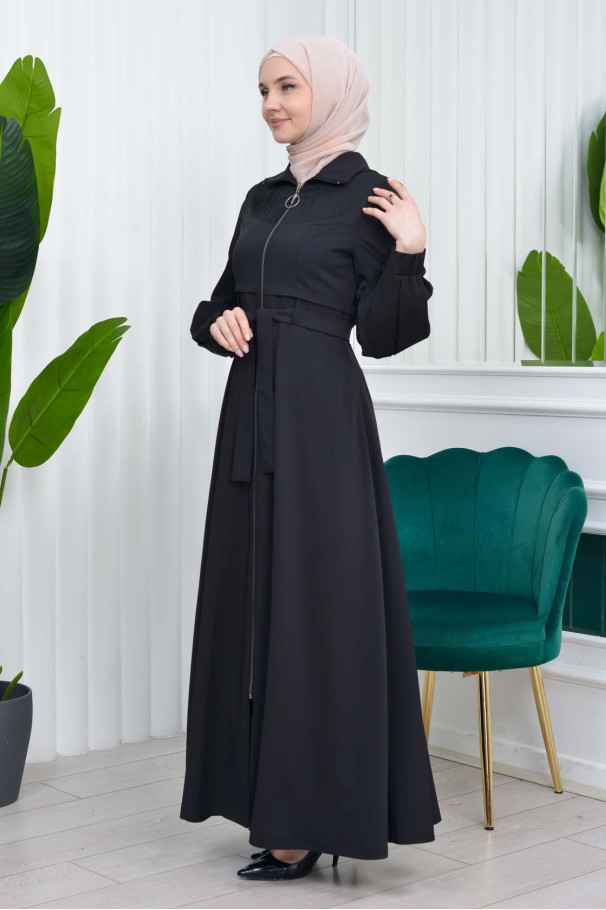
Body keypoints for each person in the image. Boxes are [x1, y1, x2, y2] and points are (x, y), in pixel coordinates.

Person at [180, 33, 442, 882]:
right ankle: (265, 800)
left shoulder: (371, 197)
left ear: (328, 92)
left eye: (287, 87)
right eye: (263, 90)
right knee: (252, 607)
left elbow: (386, 335)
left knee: (319, 614)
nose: (271, 105)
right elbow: (220, 303)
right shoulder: (262, 200)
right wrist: (215, 324)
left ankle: (313, 819)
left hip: (322, 424)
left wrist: (411, 251)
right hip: (249, 420)